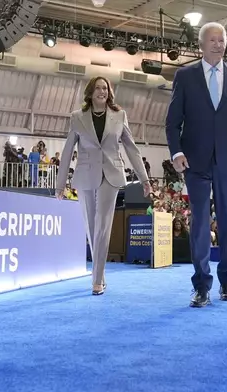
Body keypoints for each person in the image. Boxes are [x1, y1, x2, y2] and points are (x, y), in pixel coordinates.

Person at [165, 22, 227, 307]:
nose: (219, 44)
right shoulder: (185, 76)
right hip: (194, 160)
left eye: (223, 40)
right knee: (200, 223)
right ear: (201, 45)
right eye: (213, 40)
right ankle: (201, 285)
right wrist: (176, 152)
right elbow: (172, 122)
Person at [56, 76, 150, 296]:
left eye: (105, 88)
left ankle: (97, 280)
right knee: (91, 227)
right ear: (90, 92)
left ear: (109, 92)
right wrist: (60, 185)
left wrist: (144, 179)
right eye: (98, 88)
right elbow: (68, 151)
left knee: (102, 226)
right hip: (85, 175)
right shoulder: (77, 118)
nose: (102, 91)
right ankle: (100, 273)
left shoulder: (120, 115)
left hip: (111, 174)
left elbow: (131, 148)